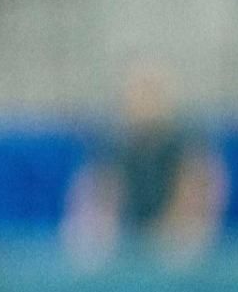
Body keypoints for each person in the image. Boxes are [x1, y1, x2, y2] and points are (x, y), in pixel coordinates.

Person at [63, 63, 227, 271]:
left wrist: (165, 236)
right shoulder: (113, 147)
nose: (145, 102)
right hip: (127, 233)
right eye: (139, 94)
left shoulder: (186, 147)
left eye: (151, 94)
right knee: (89, 244)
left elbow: (192, 204)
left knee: (183, 243)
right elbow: (101, 205)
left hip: (171, 235)